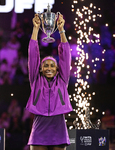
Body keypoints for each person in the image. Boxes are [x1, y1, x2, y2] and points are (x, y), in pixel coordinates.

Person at [25, 14, 73, 150]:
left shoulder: (63, 80)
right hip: (40, 124)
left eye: (52, 65)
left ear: (58, 69)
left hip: (58, 124)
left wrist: (61, 29)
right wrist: (36, 29)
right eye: (46, 65)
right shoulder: (35, 80)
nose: (49, 68)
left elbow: (66, 55)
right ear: (40, 69)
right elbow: (33, 55)